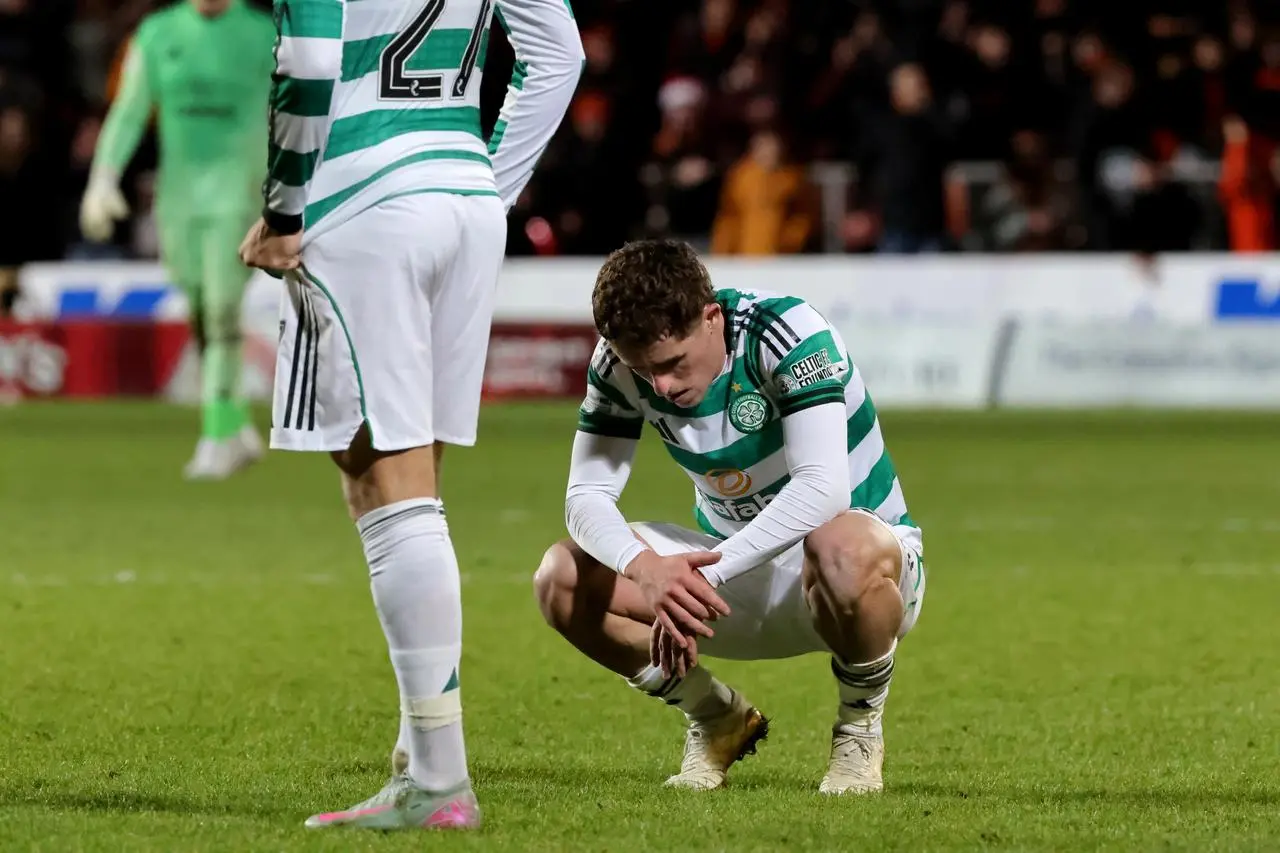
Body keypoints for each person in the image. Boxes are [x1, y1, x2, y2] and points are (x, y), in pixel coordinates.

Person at [237, 0, 582, 832]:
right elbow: (559, 52)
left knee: (382, 484)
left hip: (364, 204)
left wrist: (285, 212)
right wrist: (479, 181)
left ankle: (439, 778)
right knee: (413, 478)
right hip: (461, 195)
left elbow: (314, 58)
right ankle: (417, 759)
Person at [533, 239, 926, 795]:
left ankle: (859, 729)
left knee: (838, 543)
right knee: (562, 578)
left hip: (859, 575)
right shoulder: (618, 365)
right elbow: (586, 496)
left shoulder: (784, 332)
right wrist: (646, 568)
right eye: (642, 371)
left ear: (711, 317)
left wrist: (702, 576)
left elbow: (822, 489)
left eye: (671, 364)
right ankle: (716, 717)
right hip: (733, 578)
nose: (660, 386)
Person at [80, 0, 276, 479]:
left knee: (222, 308)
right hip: (178, 199)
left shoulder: (264, 34)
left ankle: (215, 436)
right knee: (199, 308)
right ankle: (234, 422)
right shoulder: (156, 33)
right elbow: (128, 111)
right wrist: (102, 179)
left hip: (239, 191)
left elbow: (295, 114)